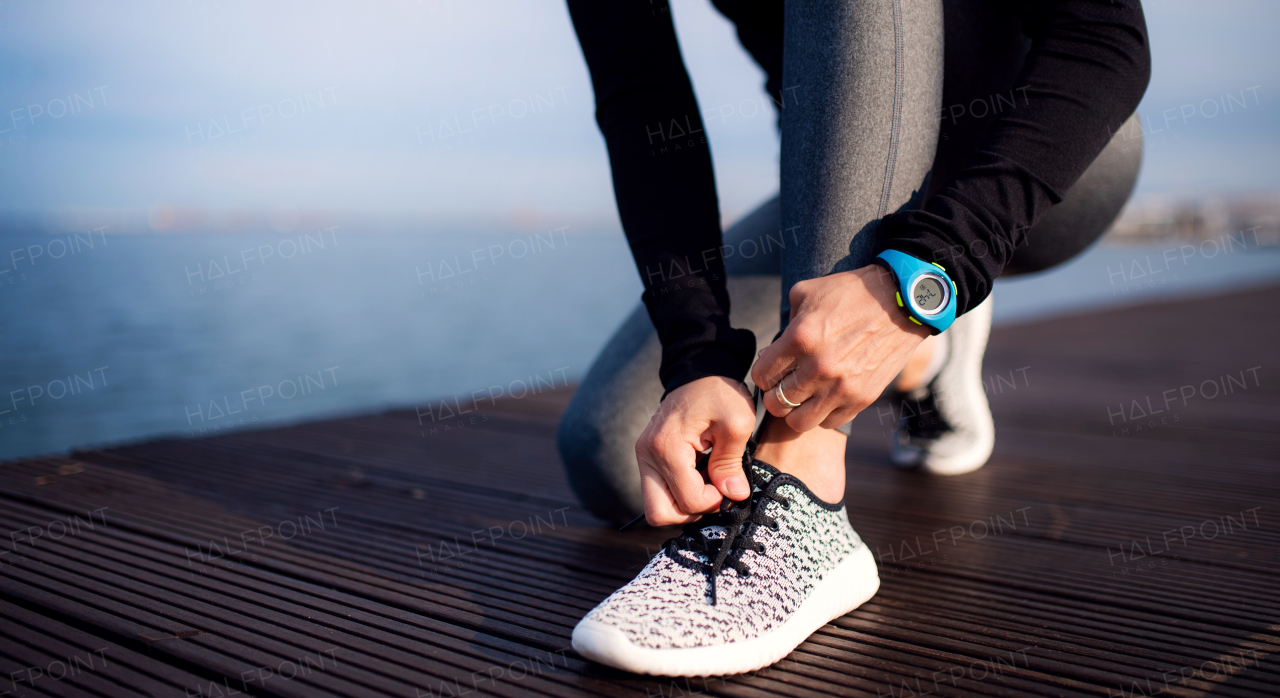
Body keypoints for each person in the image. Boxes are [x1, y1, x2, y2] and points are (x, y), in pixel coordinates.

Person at [562, 0, 1150, 677]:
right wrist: (695, 359)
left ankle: (804, 480)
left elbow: (1106, 35)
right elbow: (642, 103)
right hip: (840, 192)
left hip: (1044, 139)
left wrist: (934, 271)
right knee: (612, 459)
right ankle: (926, 355)